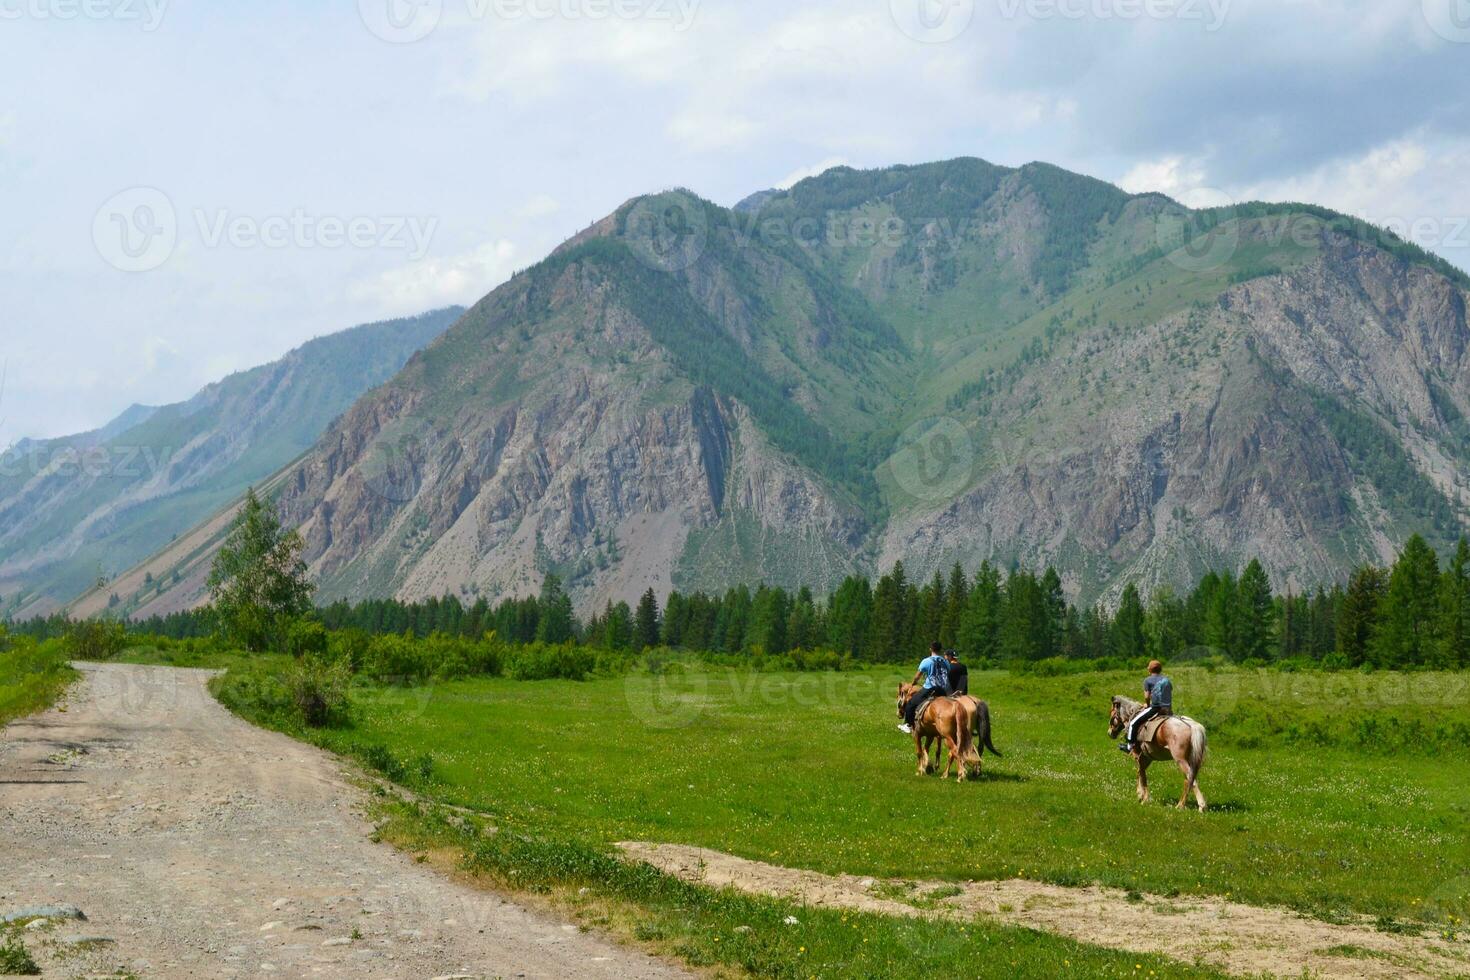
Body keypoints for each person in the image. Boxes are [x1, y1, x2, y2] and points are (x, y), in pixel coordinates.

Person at [1120, 660, 1173, 753]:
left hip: (1156, 708)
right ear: (1160, 669)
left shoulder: (1147, 680)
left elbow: (1147, 697)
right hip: (1168, 709)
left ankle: (1129, 747)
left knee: (1133, 723)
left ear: (1150, 669)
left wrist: (1148, 705)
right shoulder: (1167, 680)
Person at [898, 642, 950, 734]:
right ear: (940, 650)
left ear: (930, 649)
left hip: (930, 688)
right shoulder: (945, 661)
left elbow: (917, 676)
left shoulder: (927, 661)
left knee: (911, 703)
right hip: (943, 689)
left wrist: (913, 683)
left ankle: (908, 725)